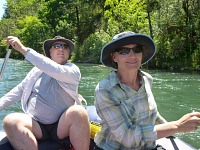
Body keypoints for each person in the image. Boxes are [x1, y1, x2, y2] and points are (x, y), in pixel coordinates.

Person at [94, 31, 200, 149]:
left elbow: (153, 115)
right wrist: (177, 126)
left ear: (142, 54)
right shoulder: (105, 90)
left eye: (137, 49)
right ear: (114, 57)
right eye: (124, 51)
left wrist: (178, 127)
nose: (132, 55)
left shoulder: (146, 79)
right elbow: (127, 137)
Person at [0, 36, 90, 150]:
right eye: (57, 46)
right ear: (50, 51)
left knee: (79, 111)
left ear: (68, 52)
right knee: (10, 121)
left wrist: (23, 49)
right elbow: (20, 90)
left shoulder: (73, 70)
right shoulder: (36, 70)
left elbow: (53, 68)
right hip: (36, 124)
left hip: (61, 126)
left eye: (65, 46)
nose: (61, 49)